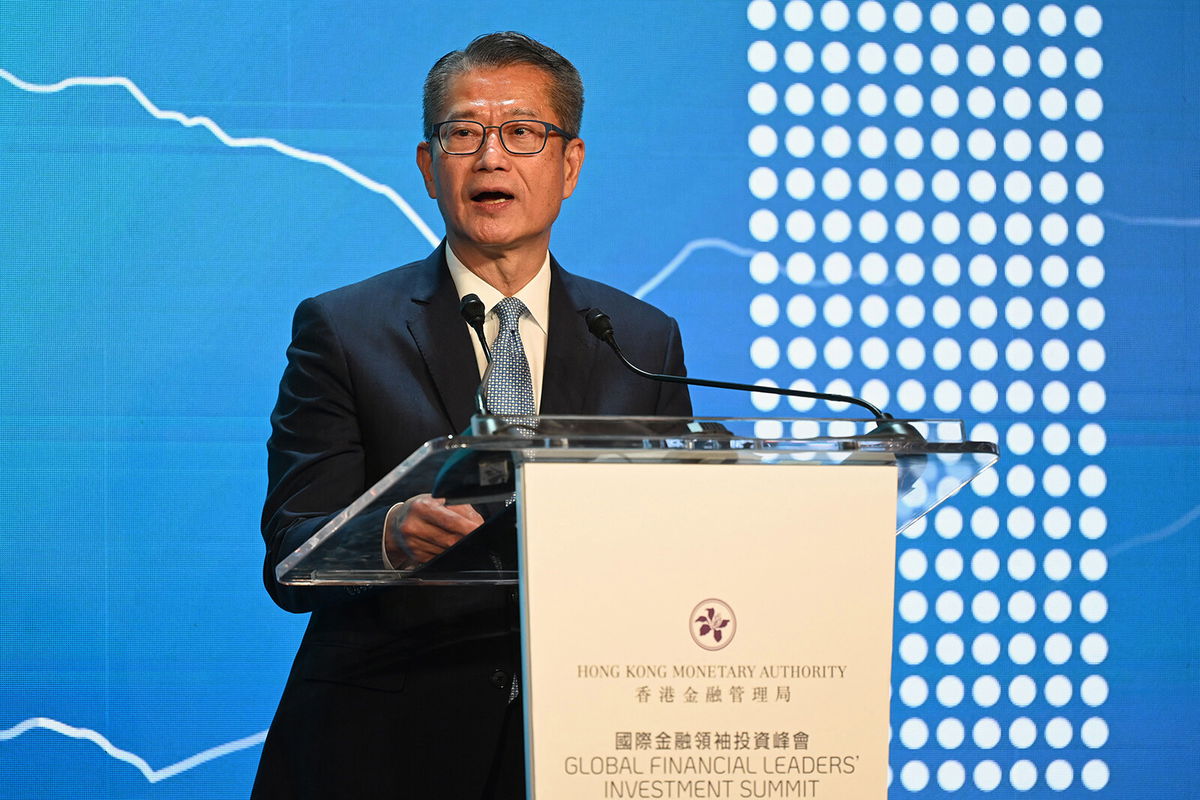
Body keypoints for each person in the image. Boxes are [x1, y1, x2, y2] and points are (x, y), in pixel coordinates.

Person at [251, 32, 690, 799]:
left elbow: (675, 547)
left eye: (523, 132)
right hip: (383, 749)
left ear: (570, 164)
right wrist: (383, 538)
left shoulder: (640, 339)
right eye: (463, 133)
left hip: (584, 745)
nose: (492, 157)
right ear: (428, 167)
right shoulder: (343, 330)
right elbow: (291, 554)